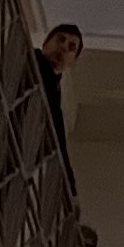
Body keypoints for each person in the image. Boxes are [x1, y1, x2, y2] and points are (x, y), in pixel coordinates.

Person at [32, 22, 85, 152]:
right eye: (61, 39)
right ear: (46, 43)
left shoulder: (54, 90)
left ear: (73, 62)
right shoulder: (27, 58)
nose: (63, 47)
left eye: (71, 47)